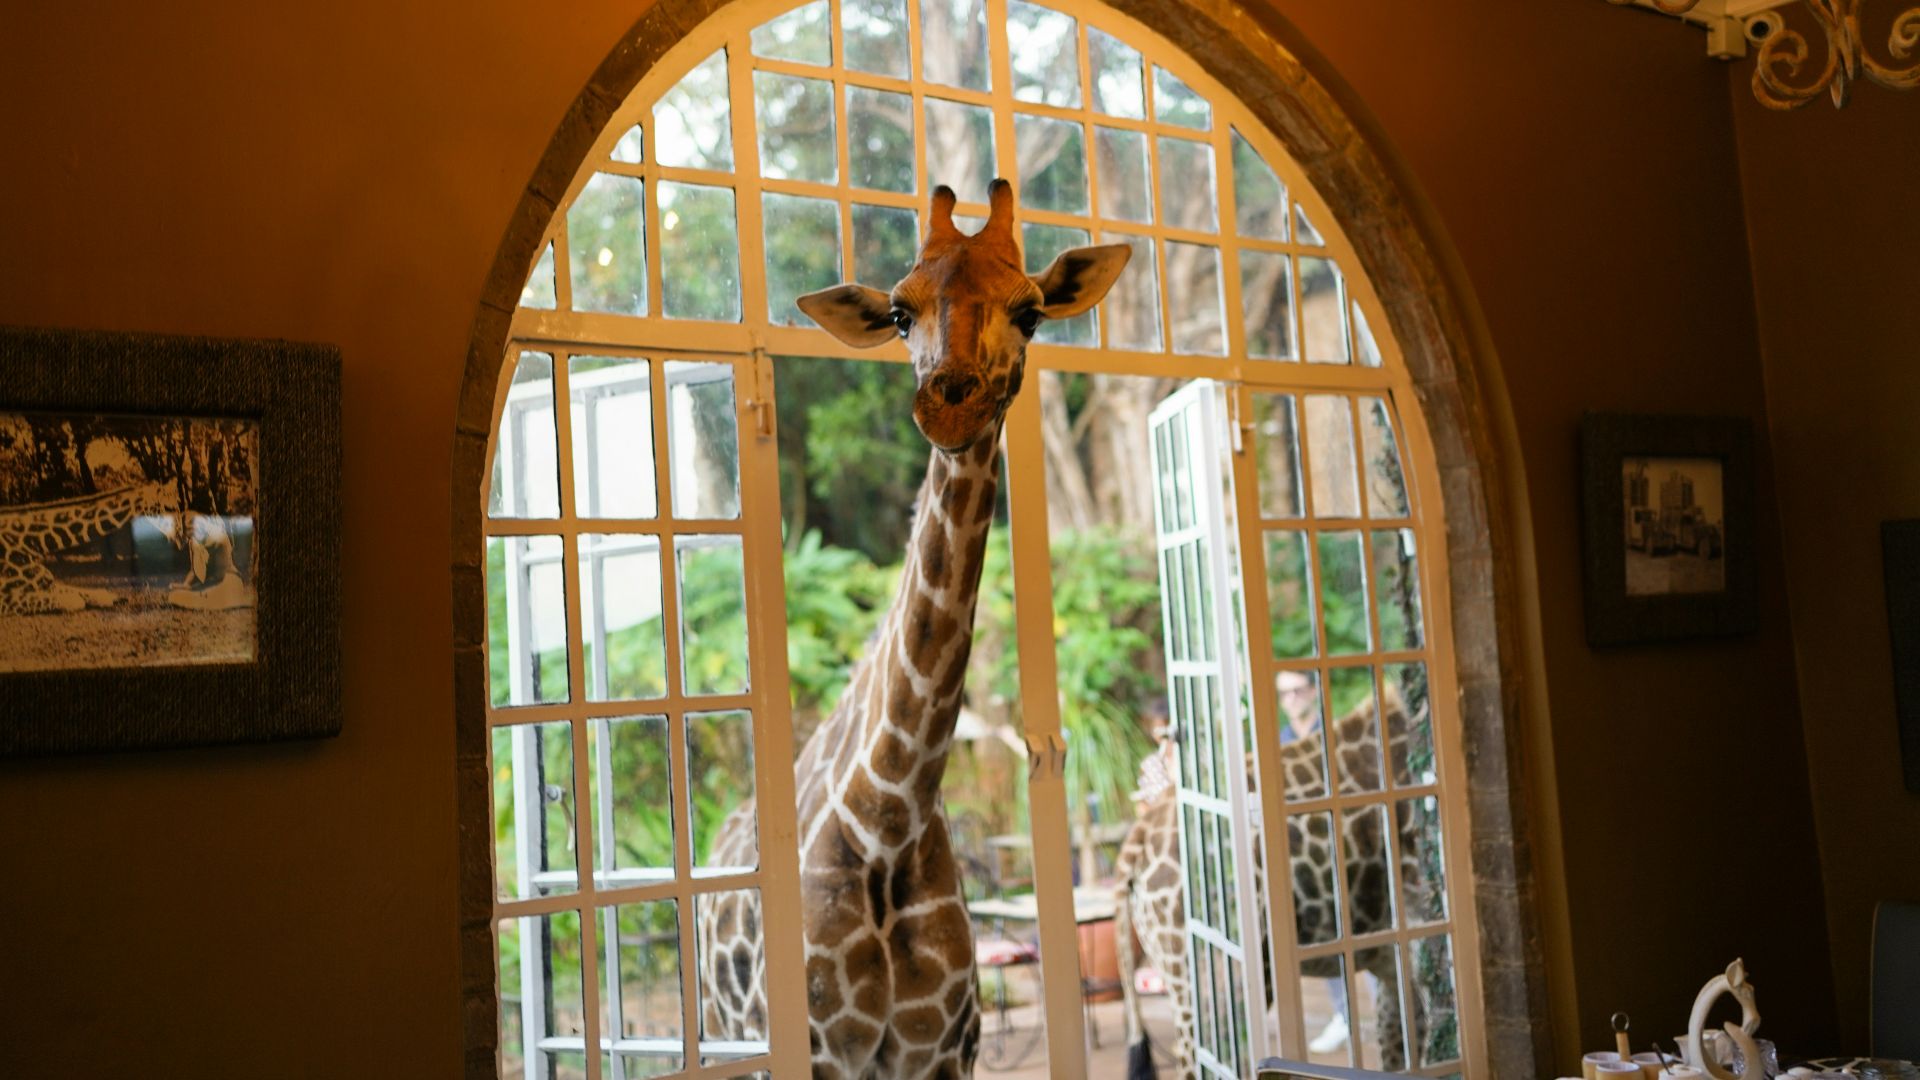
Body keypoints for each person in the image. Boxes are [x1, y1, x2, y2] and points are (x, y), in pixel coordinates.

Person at [1275, 668, 1352, 1054]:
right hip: (1306, 856)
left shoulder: (1333, 734)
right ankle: (1345, 1015)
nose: (1291, 699)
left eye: (1297, 690)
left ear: (1313, 689)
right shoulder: (1281, 742)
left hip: (1346, 846)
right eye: (1283, 693)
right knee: (1327, 933)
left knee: (1363, 933)